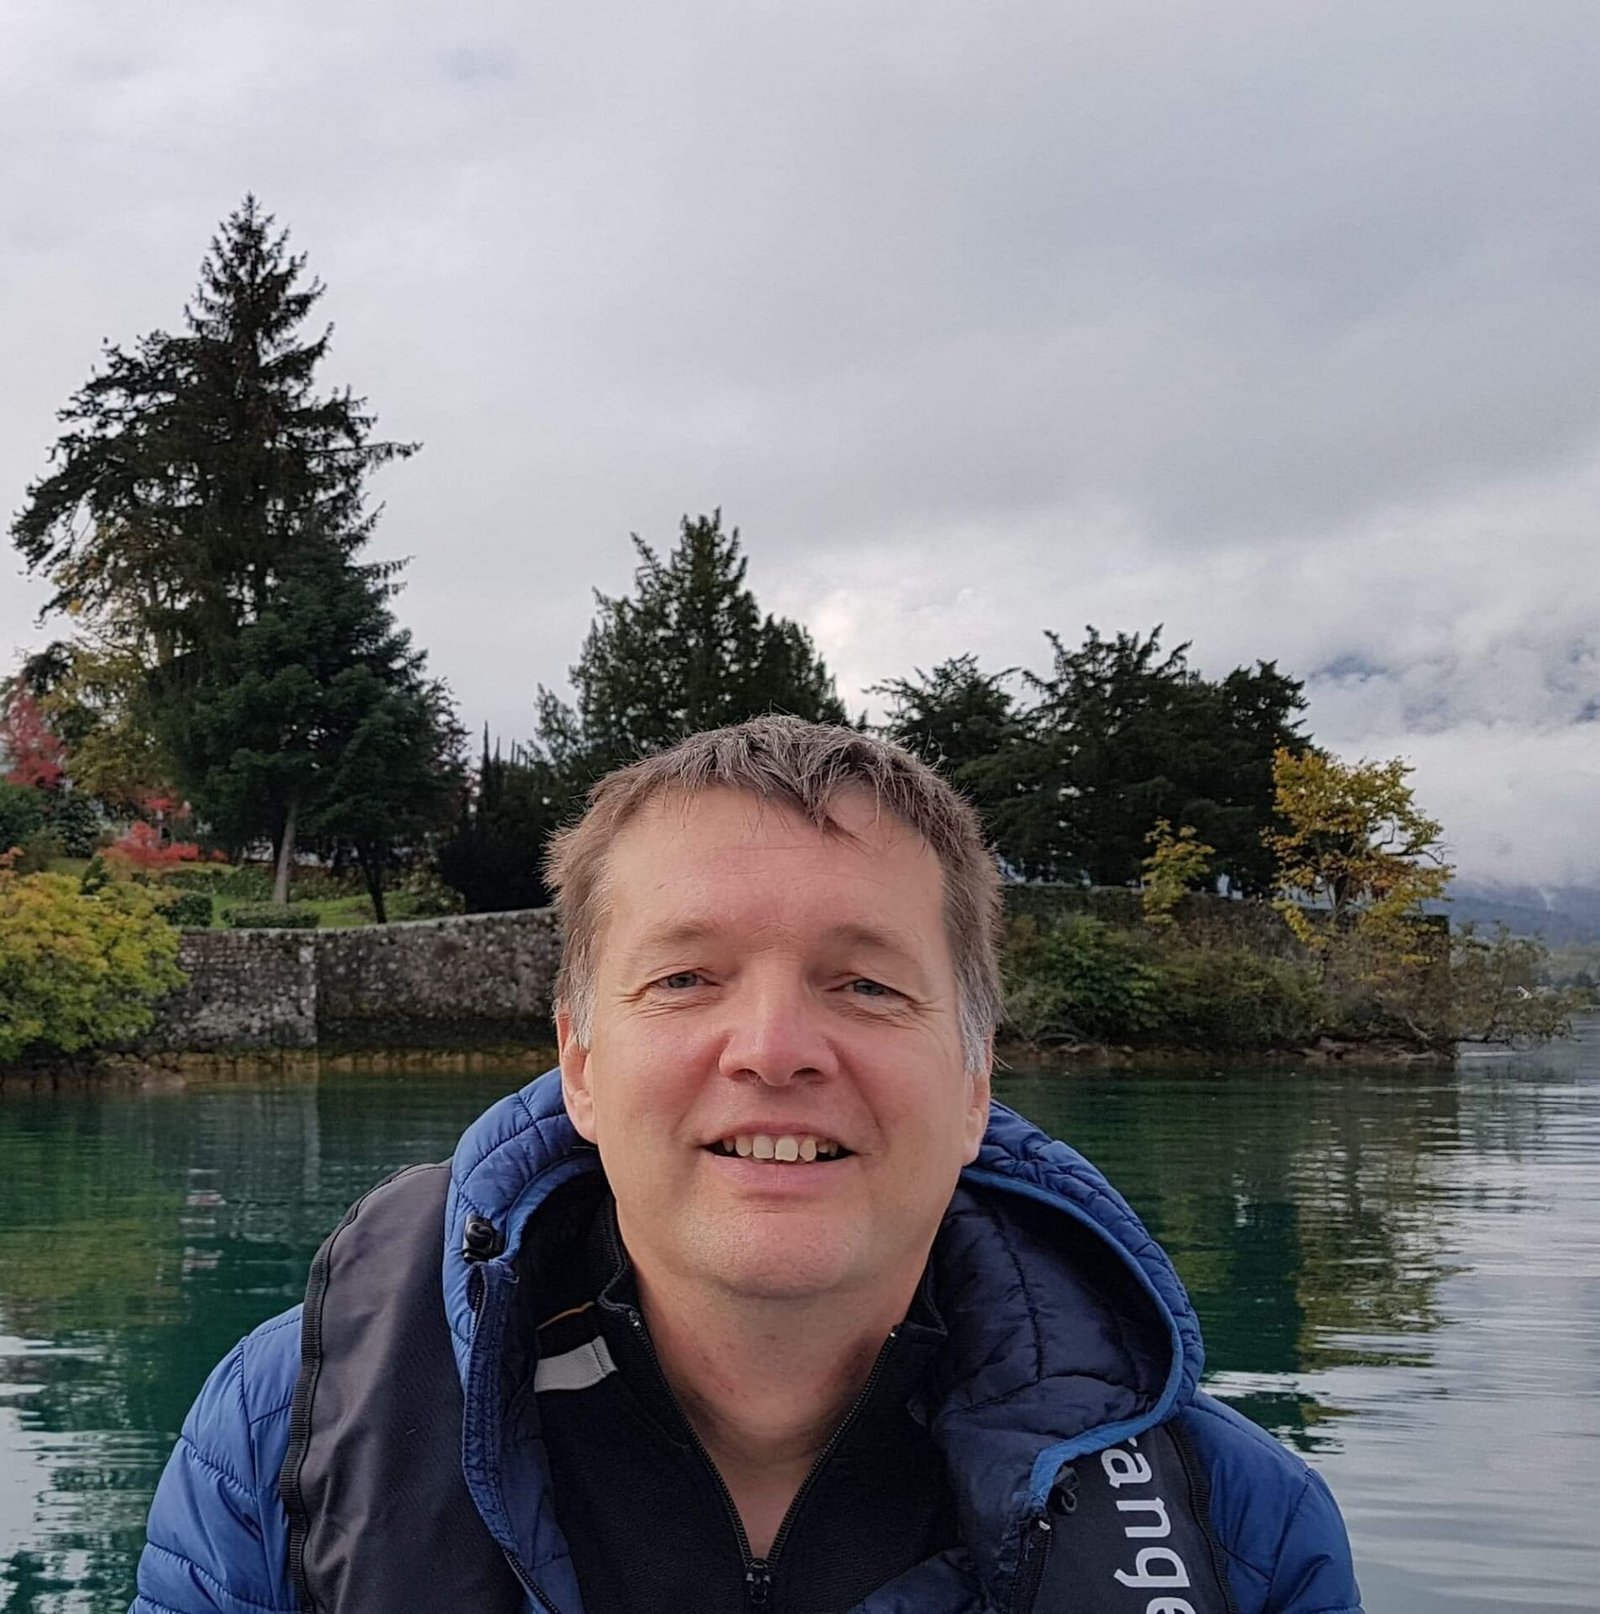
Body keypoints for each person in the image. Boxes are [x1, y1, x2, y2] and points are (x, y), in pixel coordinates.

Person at [132, 716, 1362, 1614]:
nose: (773, 1049)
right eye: (685, 978)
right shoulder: (281, 1437)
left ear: (975, 1083)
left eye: (865, 985)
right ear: (580, 1066)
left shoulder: (1243, 1531)